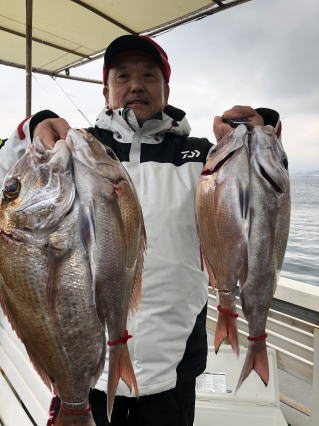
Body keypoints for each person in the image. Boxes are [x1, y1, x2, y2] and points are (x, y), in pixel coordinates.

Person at [0, 35, 281, 426]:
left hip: (174, 363)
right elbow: (11, 191)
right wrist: (29, 131)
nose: (136, 84)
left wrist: (257, 131)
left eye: (149, 75)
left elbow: (258, 194)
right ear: (106, 89)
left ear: (166, 89)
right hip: (86, 365)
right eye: (123, 75)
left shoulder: (202, 156)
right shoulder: (77, 150)